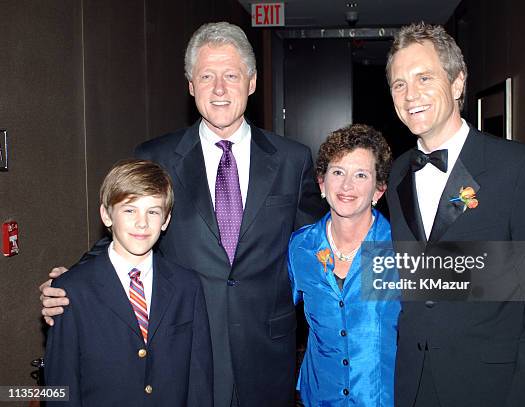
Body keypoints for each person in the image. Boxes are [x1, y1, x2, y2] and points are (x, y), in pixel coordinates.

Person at [40, 22, 323, 407]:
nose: (219, 89)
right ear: (191, 86)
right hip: (184, 348)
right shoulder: (155, 156)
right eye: (206, 76)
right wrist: (70, 284)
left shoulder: (293, 159)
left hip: (266, 352)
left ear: (252, 82)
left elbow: (315, 247)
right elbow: (126, 232)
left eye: (231, 75)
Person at [385, 22, 525, 407]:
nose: (410, 94)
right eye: (399, 84)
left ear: (456, 83)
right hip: (413, 383)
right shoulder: (399, 170)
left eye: (424, 77)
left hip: (493, 387)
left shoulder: (521, 169)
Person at [44, 159, 213, 407]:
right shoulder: (73, 290)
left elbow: (199, 378)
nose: (142, 223)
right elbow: (61, 387)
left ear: (166, 220)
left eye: (153, 211)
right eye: (129, 210)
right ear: (106, 215)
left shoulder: (188, 286)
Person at [287, 124, 400, 406]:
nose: (347, 186)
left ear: (379, 189)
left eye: (361, 175)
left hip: (382, 398)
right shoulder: (300, 247)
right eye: (338, 172)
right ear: (322, 183)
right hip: (318, 398)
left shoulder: (401, 250)